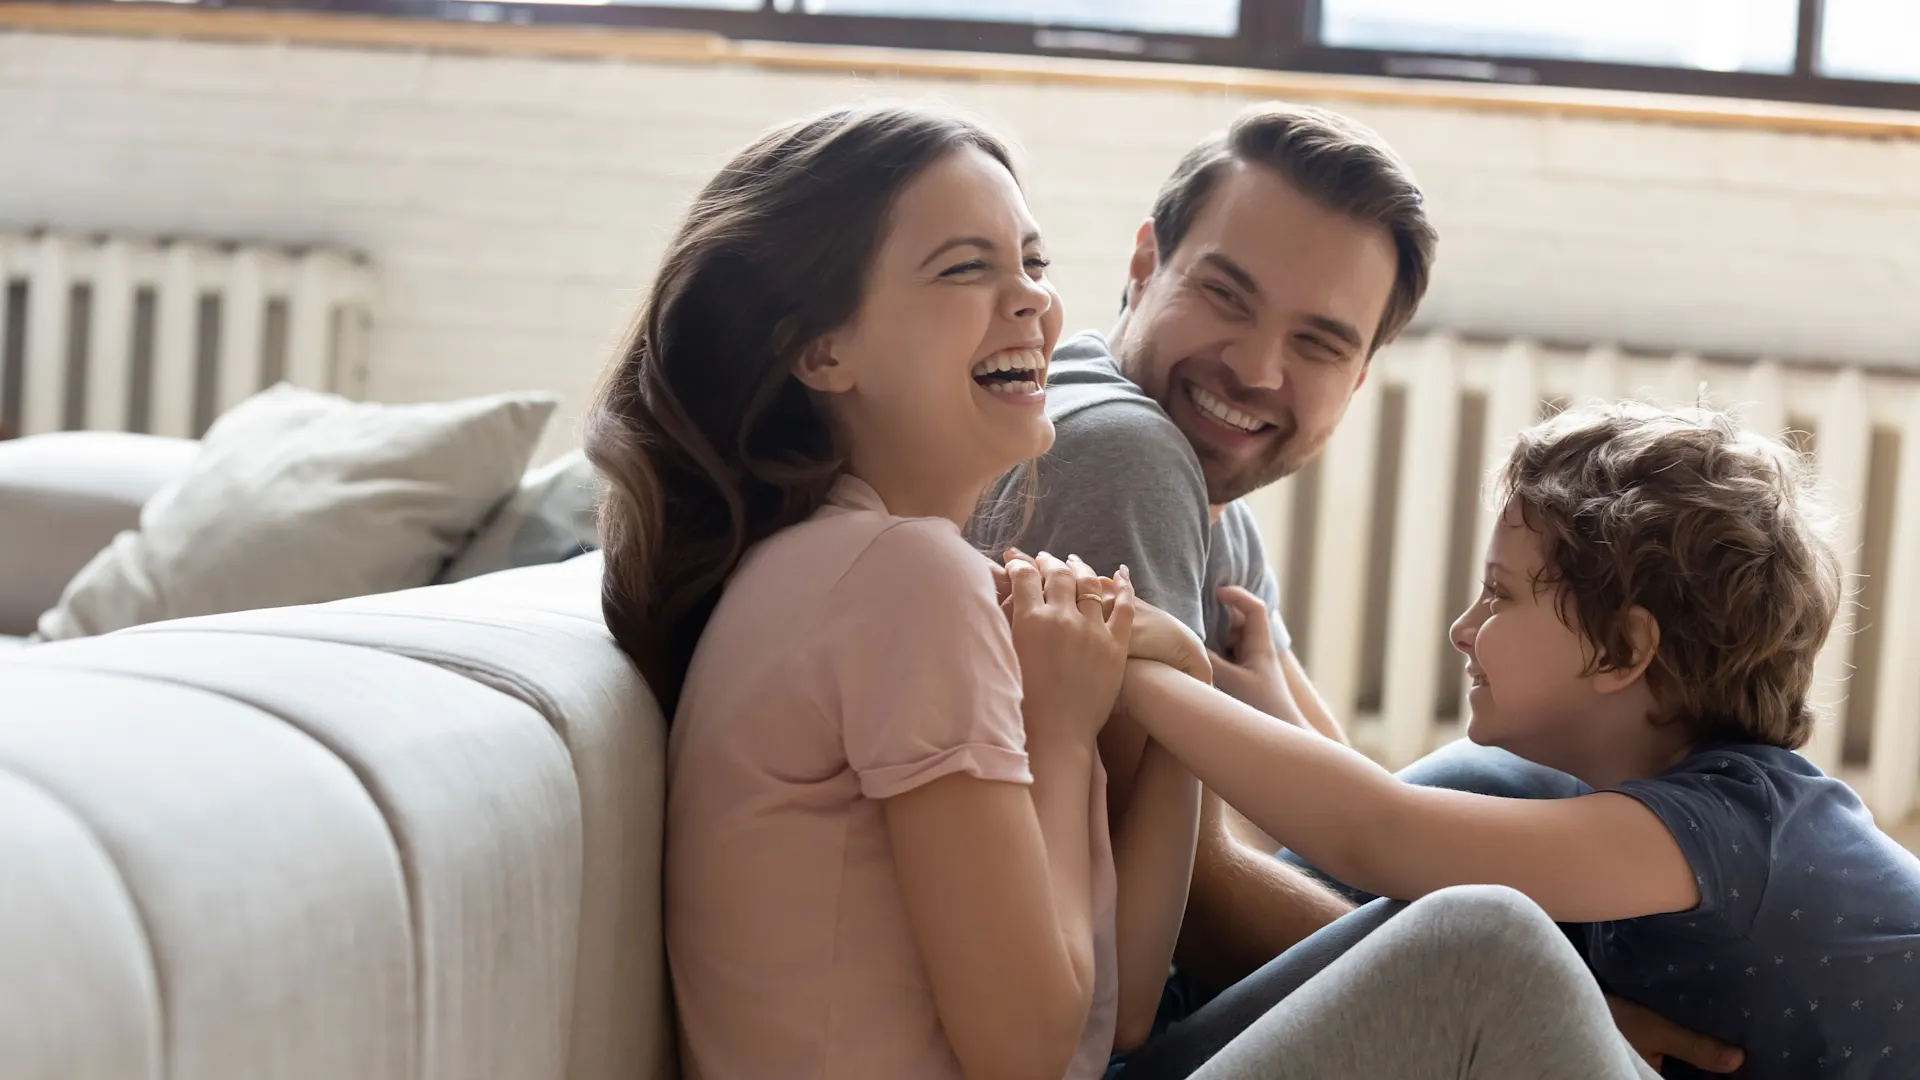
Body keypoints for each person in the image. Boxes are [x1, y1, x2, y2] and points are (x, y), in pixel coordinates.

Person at [584, 102, 1658, 1080]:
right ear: (820, 349)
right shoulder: (904, 580)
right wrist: (1063, 736)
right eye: (965, 269)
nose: (1032, 301)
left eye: (1033, 261)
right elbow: (1031, 1049)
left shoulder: (917, 570)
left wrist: (1180, 688)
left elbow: (1122, 1007)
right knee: (1486, 947)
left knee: (1490, 876)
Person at [972, 101, 1733, 1076]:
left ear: (1362, 373)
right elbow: (1193, 902)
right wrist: (1562, 1005)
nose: (1256, 369)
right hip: (1110, 1047)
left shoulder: (1201, 492)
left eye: (1320, 342)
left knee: (1508, 787)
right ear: (1145, 262)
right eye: (1227, 296)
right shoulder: (1127, 454)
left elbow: (1340, 796)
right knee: (1492, 950)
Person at [1118, 401, 1920, 1079]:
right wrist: (1272, 710)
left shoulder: (1730, 826)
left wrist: (1148, 673)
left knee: (1485, 931)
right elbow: (1406, 832)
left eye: (1498, 596)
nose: (1463, 628)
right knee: (1489, 785)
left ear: (1625, 651)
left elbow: (1379, 833)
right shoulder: (1680, 800)